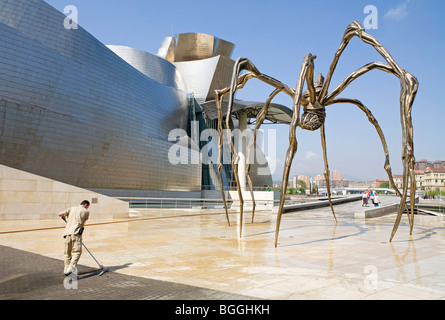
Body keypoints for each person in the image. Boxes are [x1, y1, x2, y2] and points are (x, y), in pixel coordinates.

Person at [58, 200, 90, 276]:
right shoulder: (86, 211)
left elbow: (59, 214)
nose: (88, 208)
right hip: (76, 233)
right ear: (85, 204)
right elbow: (82, 224)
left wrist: (65, 218)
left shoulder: (72, 208)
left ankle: (66, 268)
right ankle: (71, 268)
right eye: (88, 206)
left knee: (67, 252)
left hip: (67, 233)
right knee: (77, 252)